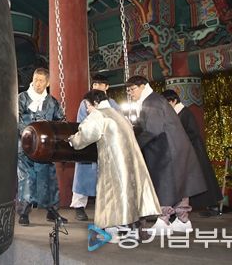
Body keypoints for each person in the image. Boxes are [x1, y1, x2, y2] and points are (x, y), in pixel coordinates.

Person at [69, 90, 160, 243]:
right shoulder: (118, 114)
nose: (87, 110)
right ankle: (132, 230)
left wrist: (73, 140)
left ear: (95, 103)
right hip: (131, 162)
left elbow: (85, 134)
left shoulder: (99, 115)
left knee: (112, 194)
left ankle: (113, 231)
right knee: (130, 194)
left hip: (114, 162)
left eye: (88, 106)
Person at [125, 76, 206, 233]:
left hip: (167, 149)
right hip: (176, 147)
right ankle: (183, 220)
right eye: (128, 91)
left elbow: (153, 130)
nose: (130, 93)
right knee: (181, 184)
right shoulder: (154, 100)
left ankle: (163, 221)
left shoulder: (151, 102)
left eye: (132, 89)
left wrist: (135, 145)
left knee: (165, 184)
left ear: (143, 86)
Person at [17, 68, 66, 226]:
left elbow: (60, 120)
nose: (37, 83)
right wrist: (28, 134)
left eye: (41, 81)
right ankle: (24, 212)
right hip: (26, 147)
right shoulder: (22, 98)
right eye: (35, 80)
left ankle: (52, 211)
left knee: (49, 178)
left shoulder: (52, 102)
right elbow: (16, 118)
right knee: (27, 178)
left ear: (48, 83)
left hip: (45, 148)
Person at [162, 90, 223, 217]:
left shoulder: (185, 113)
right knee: (193, 180)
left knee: (203, 178)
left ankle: (213, 206)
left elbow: (193, 132)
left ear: (173, 101)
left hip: (194, 151)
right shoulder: (177, 114)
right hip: (185, 151)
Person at [70, 74, 120, 222]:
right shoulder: (85, 103)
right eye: (94, 84)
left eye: (100, 84)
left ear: (106, 87)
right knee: (82, 176)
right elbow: (81, 123)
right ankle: (79, 206)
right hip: (88, 144)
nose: (96, 87)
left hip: (106, 145)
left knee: (106, 178)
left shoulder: (112, 103)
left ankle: (106, 208)